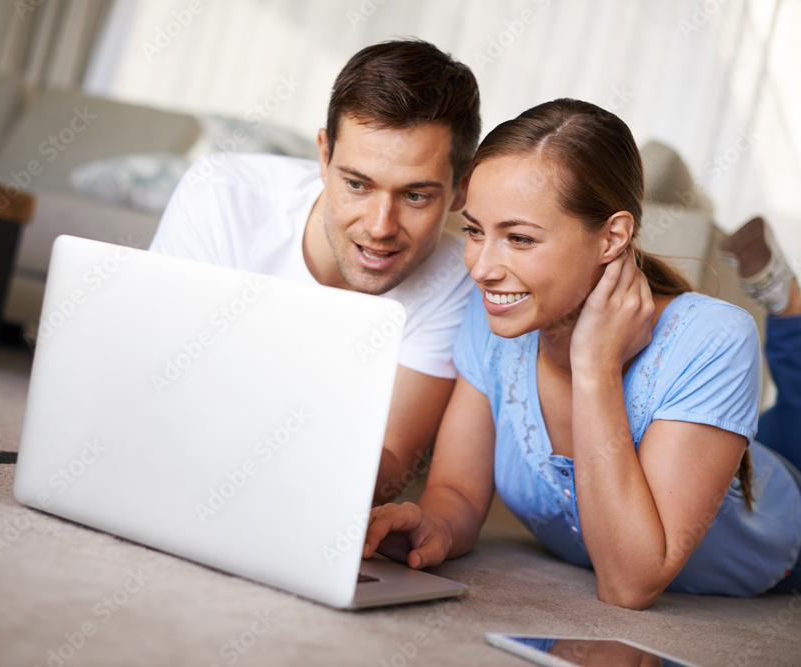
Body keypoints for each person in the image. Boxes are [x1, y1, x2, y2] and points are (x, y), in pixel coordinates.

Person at [362, 98, 801, 609]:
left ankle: (788, 306)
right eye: (476, 231)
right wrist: (431, 524)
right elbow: (457, 491)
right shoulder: (493, 325)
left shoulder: (714, 337)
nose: (481, 267)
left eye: (520, 238)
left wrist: (596, 366)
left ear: (613, 237)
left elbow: (629, 583)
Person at [150, 39, 482, 504]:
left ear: (460, 191)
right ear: (324, 157)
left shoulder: (456, 278)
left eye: (415, 196)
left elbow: (388, 467)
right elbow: (152, 376)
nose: (379, 227)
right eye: (357, 184)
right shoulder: (220, 196)